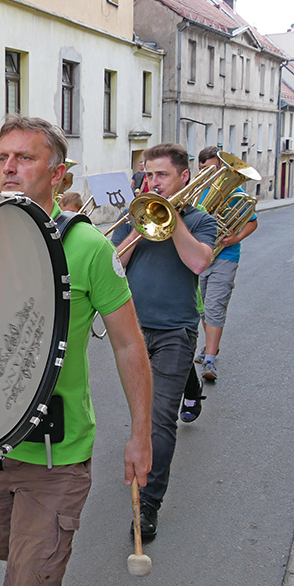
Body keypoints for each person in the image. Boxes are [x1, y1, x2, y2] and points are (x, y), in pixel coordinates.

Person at [0, 115, 152, 585]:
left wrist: (141, 434)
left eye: (25, 158)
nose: (9, 167)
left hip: (55, 454)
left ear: (57, 174)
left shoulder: (88, 247)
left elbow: (128, 344)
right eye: (3, 157)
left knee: (29, 575)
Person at [111, 142, 217, 540]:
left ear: (183, 178)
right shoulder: (133, 214)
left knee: (158, 421)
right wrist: (138, 228)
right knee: (146, 407)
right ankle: (187, 381)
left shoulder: (202, 219)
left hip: (176, 328)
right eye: (148, 174)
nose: (152, 182)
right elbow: (114, 264)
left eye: (161, 175)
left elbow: (199, 262)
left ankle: (149, 504)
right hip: (133, 331)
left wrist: (171, 220)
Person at [193, 146, 258, 382]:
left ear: (220, 168)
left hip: (225, 256)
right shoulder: (196, 191)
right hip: (200, 256)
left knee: (215, 307)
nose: (204, 172)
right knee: (201, 308)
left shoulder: (235, 192)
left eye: (209, 168)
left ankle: (209, 359)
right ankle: (210, 347)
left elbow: (252, 222)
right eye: (201, 168)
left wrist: (237, 237)